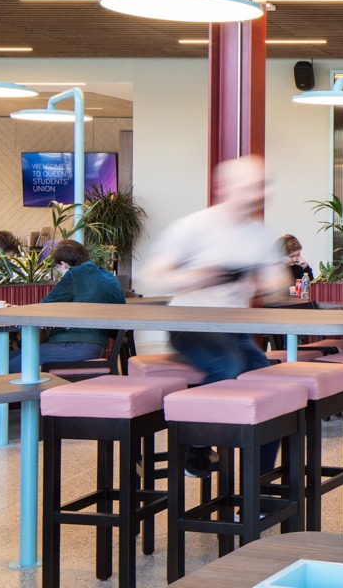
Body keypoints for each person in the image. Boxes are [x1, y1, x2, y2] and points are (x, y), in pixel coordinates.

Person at [137, 155, 290, 476]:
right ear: (225, 186)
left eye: (262, 186)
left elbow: (278, 284)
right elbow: (149, 278)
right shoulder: (194, 226)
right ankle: (197, 445)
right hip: (189, 325)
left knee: (272, 389)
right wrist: (197, 277)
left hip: (234, 330)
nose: (259, 193)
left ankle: (258, 485)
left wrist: (266, 280)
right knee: (228, 365)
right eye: (251, 186)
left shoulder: (259, 234)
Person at [4, 237, 124, 371]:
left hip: (75, 346)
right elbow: (120, 312)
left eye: (58, 269)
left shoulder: (74, 274)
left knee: (6, 364)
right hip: (97, 345)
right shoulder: (109, 276)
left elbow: (45, 307)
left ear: (64, 264)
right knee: (10, 358)